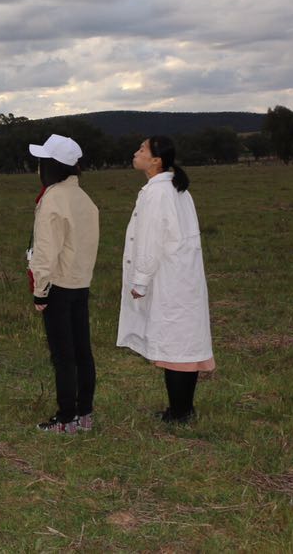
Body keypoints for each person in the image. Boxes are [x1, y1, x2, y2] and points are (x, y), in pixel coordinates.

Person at [117, 136, 215, 424]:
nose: (136, 153)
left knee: (176, 346)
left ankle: (181, 412)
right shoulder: (174, 188)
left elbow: (149, 240)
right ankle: (182, 408)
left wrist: (140, 281)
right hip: (181, 275)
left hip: (168, 277)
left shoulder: (158, 193)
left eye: (142, 150)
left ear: (156, 160)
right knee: (182, 343)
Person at [27, 134, 100, 434]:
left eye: (42, 161)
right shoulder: (84, 198)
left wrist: (39, 291)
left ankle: (66, 418)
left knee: (63, 356)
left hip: (58, 285)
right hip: (80, 283)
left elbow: (46, 251)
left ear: (52, 166)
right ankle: (84, 414)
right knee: (83, 351)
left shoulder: (53, 198)